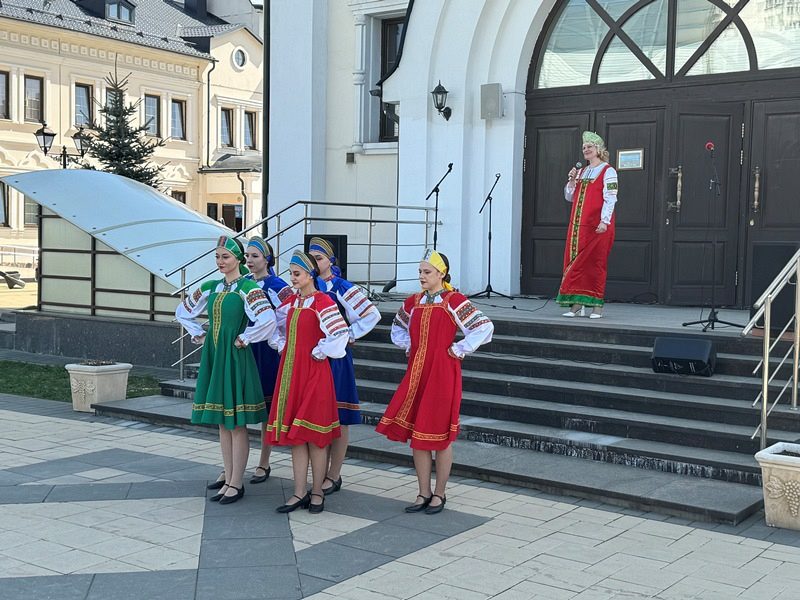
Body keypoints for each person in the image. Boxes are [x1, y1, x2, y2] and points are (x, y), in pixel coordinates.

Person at [376, 250, 493, 514]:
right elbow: (398, 327)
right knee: (418, 433)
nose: (422, 276)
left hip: (442, 373)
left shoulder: (454, 300)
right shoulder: (413, 301)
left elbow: (484, 326)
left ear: (442, 274)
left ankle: (439, 493)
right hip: (417, 371)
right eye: (420, 272)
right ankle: (423, 492)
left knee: (439, 436)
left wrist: (460, 348)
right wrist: (410, 345)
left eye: (427, 272)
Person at [175, 236, 276, 505]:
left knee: (236, 423)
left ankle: (237, 482)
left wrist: (246, 337)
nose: (220, 261)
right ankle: (228, 476)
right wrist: (198, 333)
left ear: (238, 259)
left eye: (226, 257)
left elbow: (268, 319)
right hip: (215, 354)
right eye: (217, 257)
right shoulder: (212, 286)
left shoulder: (248, 287)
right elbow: (182, 311)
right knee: (222, 421)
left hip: (234, 356)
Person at [268, 250, 349, 514]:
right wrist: (281, 344)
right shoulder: (291, 302)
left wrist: (321, 350)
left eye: (297, 274)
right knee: (297, 437)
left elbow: (340, 333)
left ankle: (317, 492)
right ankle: (299, 491)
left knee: (315, 437)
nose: (292, 278)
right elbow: (273, 326)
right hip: (291, 372)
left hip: (314, 373)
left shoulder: (323, 301)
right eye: (291, 273)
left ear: (310, 274)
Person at [307, 236, 381, 496]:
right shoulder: (307, 286)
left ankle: (334, 473)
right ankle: (317, 472)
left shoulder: (341, 287)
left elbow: (372, 314)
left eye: (319, 258)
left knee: (339, 417)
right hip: (311, 357)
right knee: (315, 415)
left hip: (336, 359)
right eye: (312, 259)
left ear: (330, 261)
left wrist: (349, 334)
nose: (315, 263)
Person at [244, 236, 293, 484]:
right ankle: (234, 464)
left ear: (267, 259)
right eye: (247, 256)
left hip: (267, 350)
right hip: (245, 347)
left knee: (266, 408)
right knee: (240, 406)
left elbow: (289, 315)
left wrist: (279, 340)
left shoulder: (277, 285)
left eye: (255, 256)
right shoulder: (243, 283)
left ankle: (264, 461)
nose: (250, 260)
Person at [556, 130, 619, 319]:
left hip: (597, 226)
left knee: (595, 264)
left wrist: (604, 221)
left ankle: (596, 306)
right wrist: (571, 181)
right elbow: (569, 197)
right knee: (576, 264)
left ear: (598, 149)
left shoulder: (608, 171)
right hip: (578, 227)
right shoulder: (581, 172)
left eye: (589, 146)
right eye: (584, 147)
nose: (586, 150)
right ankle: (576, 304)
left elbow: (611, 198)